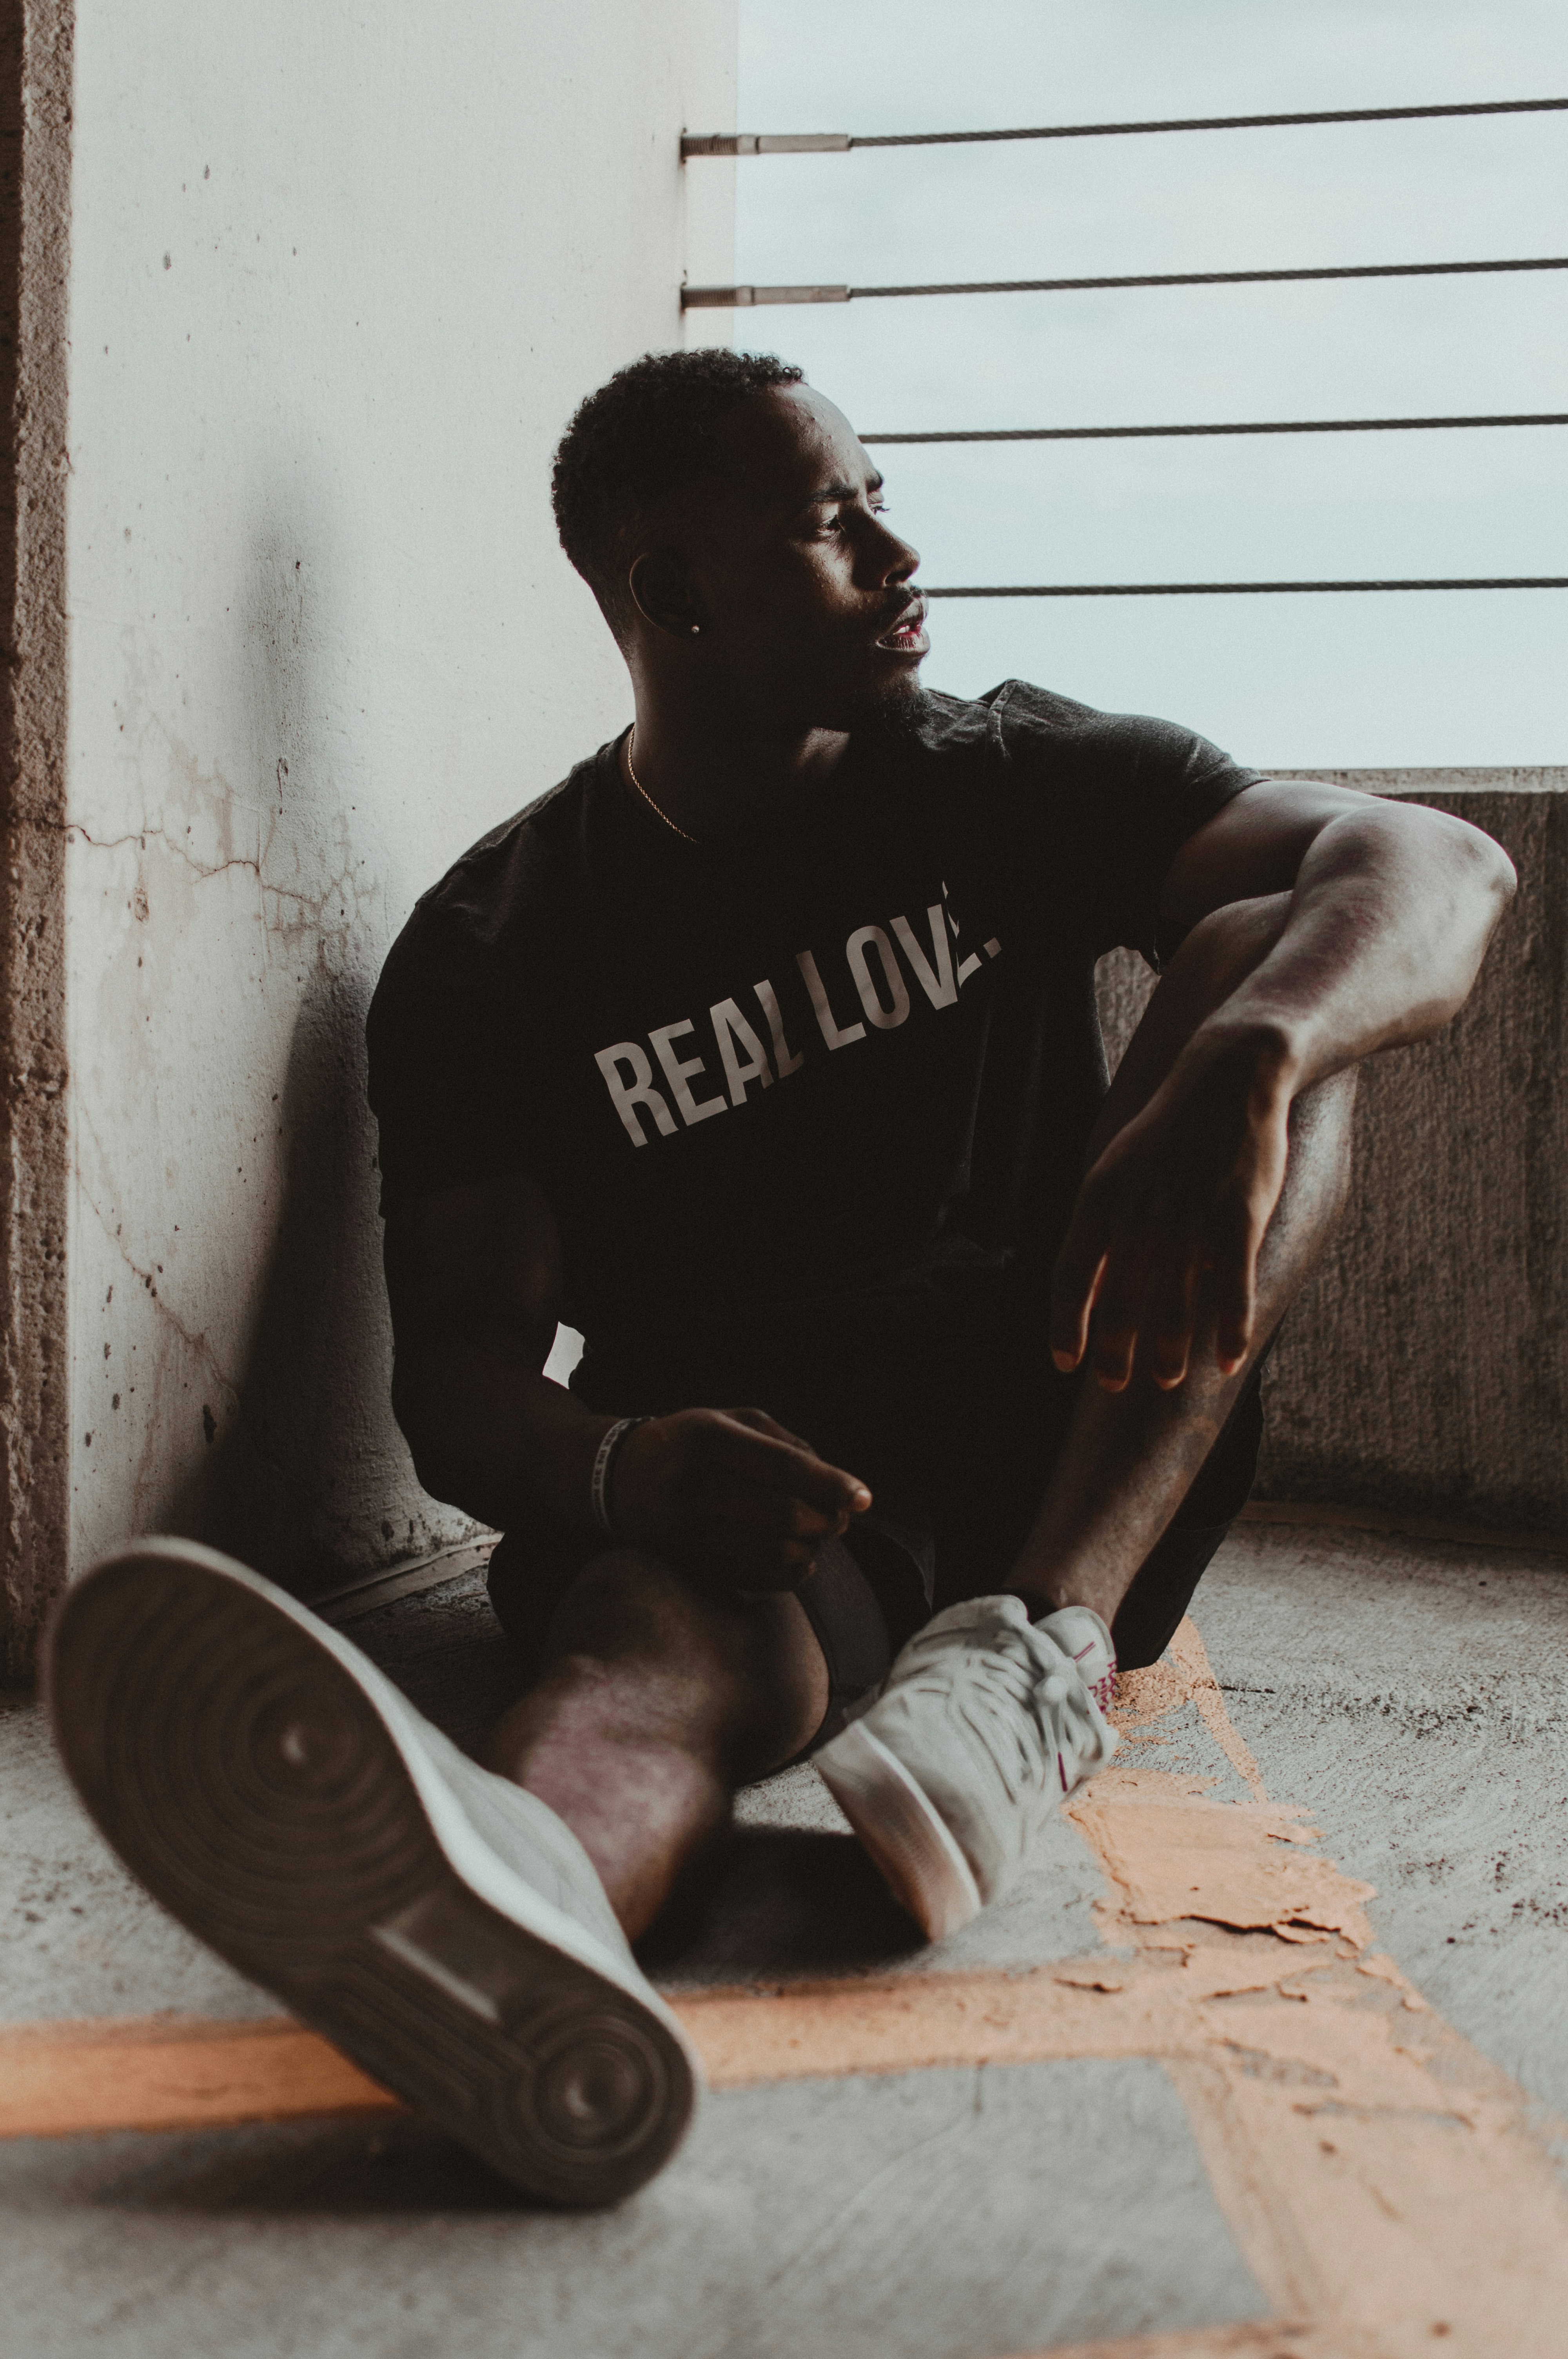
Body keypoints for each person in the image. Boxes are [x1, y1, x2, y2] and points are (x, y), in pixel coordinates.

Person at [49, 349, 1515, 2209]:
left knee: (1266, 950)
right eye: (836, 524)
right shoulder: (498, 946)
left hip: (1078, 1411)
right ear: (673, 590)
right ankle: (517, 1941)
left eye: (879, 503)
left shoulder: (1001, 773)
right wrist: (619, 1466)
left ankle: (1032, 1656)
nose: (901, 555)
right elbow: (458, 1379)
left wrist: (1254, 1050)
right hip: (772, 1492)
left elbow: (1432, 861)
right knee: (640, 1661)